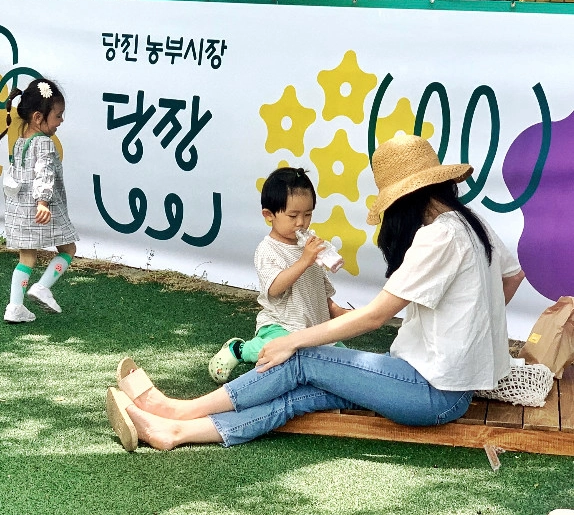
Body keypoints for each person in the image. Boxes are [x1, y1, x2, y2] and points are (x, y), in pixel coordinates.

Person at [106, 133, 525, 452]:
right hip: (444, 389)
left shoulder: (439, 236)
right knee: (302, 397)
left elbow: (375, 316)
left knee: (302, 357)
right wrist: (469, 326)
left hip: (430, 391)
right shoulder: (472, 223)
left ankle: (177, 408)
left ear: (402, 200)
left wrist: (292, 340)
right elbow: (512, 277)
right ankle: (176, 432)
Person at [208, 166, 348, 384]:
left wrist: (336, 310)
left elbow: (318, 289)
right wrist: (304, 261)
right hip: (281, 324)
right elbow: (274, 288)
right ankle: (241, 349)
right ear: (269, 215)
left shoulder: (309, 246)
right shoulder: (268, 250)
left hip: (314, 326)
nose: (301, 222)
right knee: (281, 349)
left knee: (345, 361)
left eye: (308, 214)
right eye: (293, 215)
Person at [1, 79, 79, 323]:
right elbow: (45, 173)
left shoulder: (20, 141)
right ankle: (43, 286)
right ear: (38, 117)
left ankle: (15, 307)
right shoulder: (45, 143)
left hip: (21, 210)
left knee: (27, 258)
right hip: (41, 208)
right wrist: (43, 201)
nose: (61, 121)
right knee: (68, 249)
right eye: (58, 115)